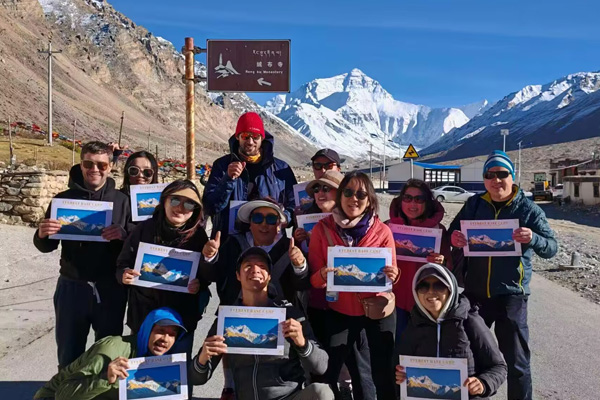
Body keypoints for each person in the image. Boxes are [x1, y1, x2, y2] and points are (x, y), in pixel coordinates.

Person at [448, 150, 558, 400]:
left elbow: (552, 247)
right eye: (490, 175)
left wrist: (534, 238)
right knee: (471, 356)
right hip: (475, 295)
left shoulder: (528, 209)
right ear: (484, 179)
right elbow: (453, 233)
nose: (496, 180)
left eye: (502, 174)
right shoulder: (474, 204)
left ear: (512, 176)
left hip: (512, 297)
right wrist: (455, 238)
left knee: (517, 363)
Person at [33, 141, 131, 369]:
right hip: (72, 287)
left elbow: (133, 245)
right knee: (68, 353)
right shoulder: (62, 199)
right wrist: (42, 234)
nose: (94, 169)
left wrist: (123, 234)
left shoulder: (122, 201)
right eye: (88, 163)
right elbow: (46, 247)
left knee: (107, 354)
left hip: (110, 290)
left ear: (110, 167)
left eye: (101, 165)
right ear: (81, 164)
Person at [190, 247, 334, 400]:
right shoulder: (227, 319)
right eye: (248, 266)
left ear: (269, 276)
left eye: (262, 267)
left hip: (289, 397)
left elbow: (322, 366)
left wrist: (303, 344)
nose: (255, 270)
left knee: (322, 392)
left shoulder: (289, 314)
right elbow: (197, 378)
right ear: (238, 275)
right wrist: (203, 357)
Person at [309, 171, 399, 400]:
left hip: (376, 310)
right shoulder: (322, 229)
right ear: (340, 196)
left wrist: (393, 274)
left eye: (361, 193)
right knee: (329, 370)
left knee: (379, 372)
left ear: (369, 199)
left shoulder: (382, 231)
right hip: (341, 311)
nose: (354, 199)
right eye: (348, 192)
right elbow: (314, 280)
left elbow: (391, 278)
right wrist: (323, 274)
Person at [117, 180, 210, 356]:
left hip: (181, 321)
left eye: (189, 203)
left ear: (195, 211)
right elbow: (123, 263)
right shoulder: (144, 229)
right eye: (175, 200)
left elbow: (207, 276)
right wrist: (124, 275)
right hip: (144, 317)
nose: (181, 208)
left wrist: (201, 281)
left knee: (175, 374)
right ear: (164, 201)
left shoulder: (198, 236)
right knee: (139, 373)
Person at [396, 264, 507, 399]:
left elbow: (498, 367)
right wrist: (400, 374)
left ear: (451, 289)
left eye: (439, 285)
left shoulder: (469, 320)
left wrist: (483, 383)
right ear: (416, 292)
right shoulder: (414, 323)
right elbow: (398, 365)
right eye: (423, 286)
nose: (431, 292)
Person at [34, 307, 191, 400]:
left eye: (172, 334)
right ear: (147, 329)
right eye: (160, 331)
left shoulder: (163, 361)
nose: (165, 339)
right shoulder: (111, 350)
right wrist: (105, 378)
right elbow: (63, 395)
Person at [202, 112, 297, 242]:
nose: (250, 142)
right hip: (229, 242)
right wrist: (227, 180)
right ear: (238, 137)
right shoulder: (222, 165)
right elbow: (210, 206)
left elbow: (295, 205)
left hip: (271, 243)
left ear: (262, 138)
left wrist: (284, 218)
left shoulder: (281, 169)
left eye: (255, 136)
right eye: (245, 136)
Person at [388, 179, 452, 339]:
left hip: (426, 301)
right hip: (394, 301)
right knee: (395, 348)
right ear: (400, 201)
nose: (413, 204)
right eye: (407, 198)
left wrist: (441, 262)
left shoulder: (438, 231)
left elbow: (448, 267)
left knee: (422, 347)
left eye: (419, 199)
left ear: (427, 203)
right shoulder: (387, 227)